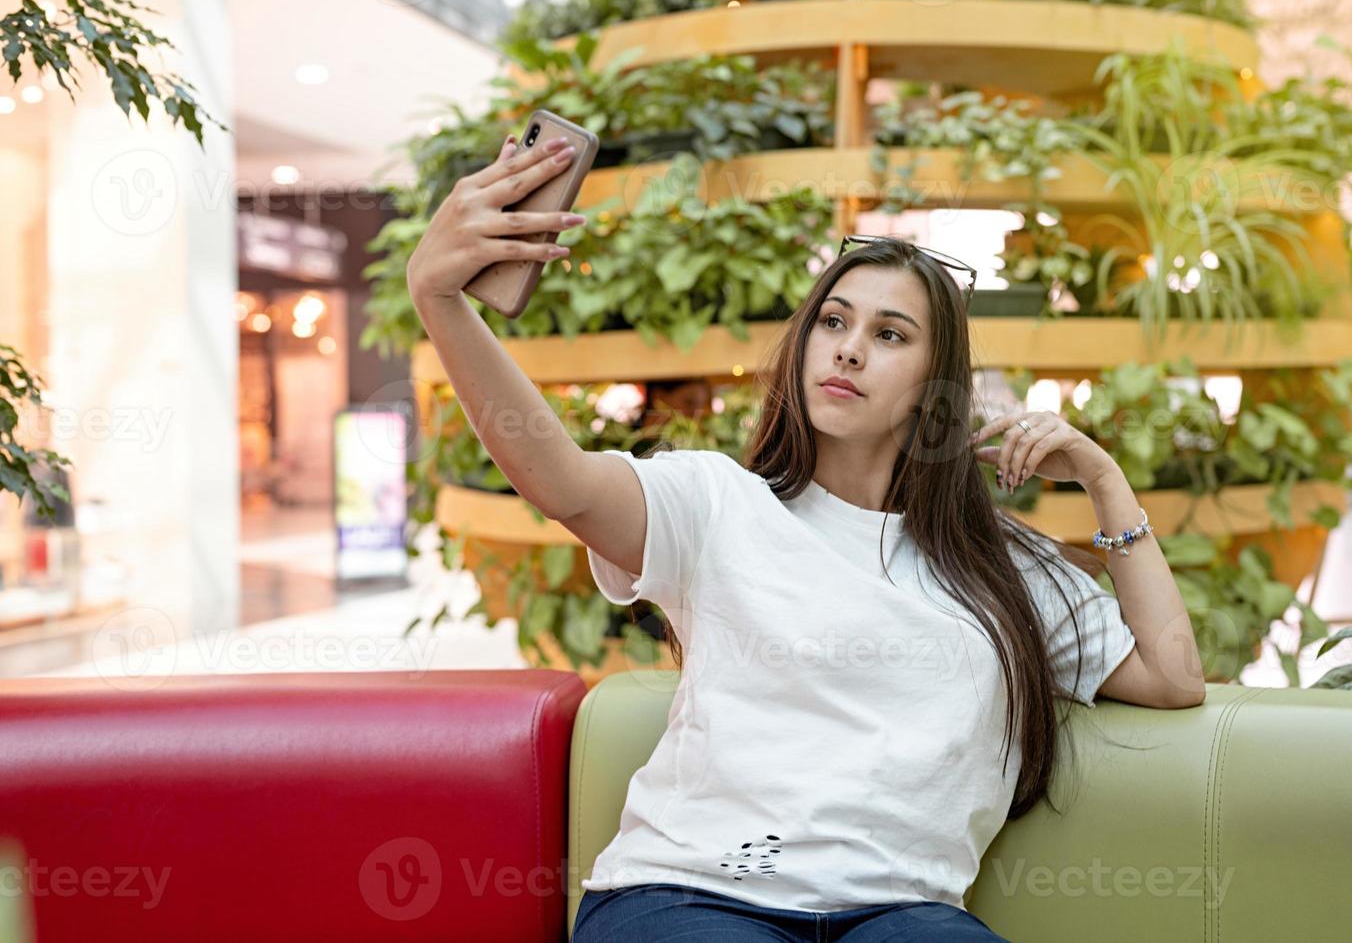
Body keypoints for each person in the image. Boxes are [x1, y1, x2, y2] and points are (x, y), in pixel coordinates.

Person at [407, 132, 1206, 942]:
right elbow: (561, 482)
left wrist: (1107, 483)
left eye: (890, 335)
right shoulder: (716, 502)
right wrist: (440, 300)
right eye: (833, 321)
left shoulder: (1001, 566)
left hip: (900, 914)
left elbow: (1174, 677)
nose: (850, 347)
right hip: (691, 896)